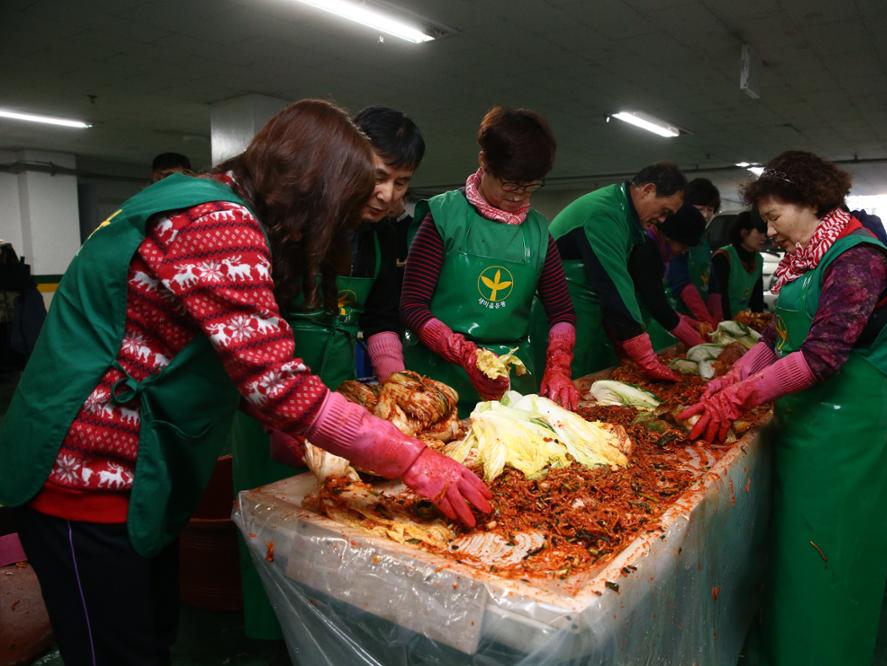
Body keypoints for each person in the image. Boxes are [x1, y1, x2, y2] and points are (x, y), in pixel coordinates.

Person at [0, 100, 492, 665]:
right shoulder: (220, 223)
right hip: (84, 474)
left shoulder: (212, 197)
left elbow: (226, 352)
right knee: (113, 651)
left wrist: (279, 421)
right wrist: (412, 460)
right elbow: (277, 382)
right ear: (314, 190)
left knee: (151, 634)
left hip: (132, 472)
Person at [680, 151, 887, 665]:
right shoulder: (808, 257)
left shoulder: (859, 259)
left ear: (809, 202)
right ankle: (787, 648)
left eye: (773, 217)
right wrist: (737, 374)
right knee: (794, 550)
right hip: (805, 419)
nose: (768, 231)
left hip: (849, 430)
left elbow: (824, 355)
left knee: (831, 555)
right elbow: (780, 333)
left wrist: (744, 396)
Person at [228, 105, 426, 640]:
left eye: (400, 182)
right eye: (378, 176)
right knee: (274, 518)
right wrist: (278, 421)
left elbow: (380, 319)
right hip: (268, 393)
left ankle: (326, 632)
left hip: (336, 389)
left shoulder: (384, 238)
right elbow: (253, 346)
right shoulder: (293, 222)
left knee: (334, 518)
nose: (385, 194)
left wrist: (397, 386)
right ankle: (271, 634)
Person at [401, 106, 577, 415]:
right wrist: (466, 354)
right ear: (484, 163)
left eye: (530, 186)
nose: (519, 196)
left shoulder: (538, 232)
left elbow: (562, 312)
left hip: (511, 390)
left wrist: (559, 365)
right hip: (440, 385)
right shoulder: (444, 217)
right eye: (510, 184)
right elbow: (412, 307)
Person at [547, 162, 691, 379]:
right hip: (562, 312)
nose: (662, 220)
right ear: (648, 190)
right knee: (564, 380)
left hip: (587, 311)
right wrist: (646, 358)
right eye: (664, 211)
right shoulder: (606, 213)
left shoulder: (625, 217)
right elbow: (613, 286)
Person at [638, 204, 710, 350]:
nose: (685, 250)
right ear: (670, 235)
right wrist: (698, 344)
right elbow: (656, 305)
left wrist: (691, 323)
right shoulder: (645, 250)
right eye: (684, 245)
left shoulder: (659, 249)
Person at [667, 177, 720, 325]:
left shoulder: (703, 237)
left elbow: (709, 273)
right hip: (676, 315)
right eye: (699, 209)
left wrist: (716, 306)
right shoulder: (677, 235)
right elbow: (680, 281)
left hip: (699, 315)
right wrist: (705, 318)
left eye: (710, 209)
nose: (705, 215)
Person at [709, 210, 766, 319]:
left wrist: (759, 321)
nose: (764, 238)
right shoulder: (723, 256)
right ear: (744, 232)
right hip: (720, 319)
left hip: (742, 322)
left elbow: (757, 298)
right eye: (760, 232)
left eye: (765, 233)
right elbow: (720, 296)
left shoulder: (758, 260)